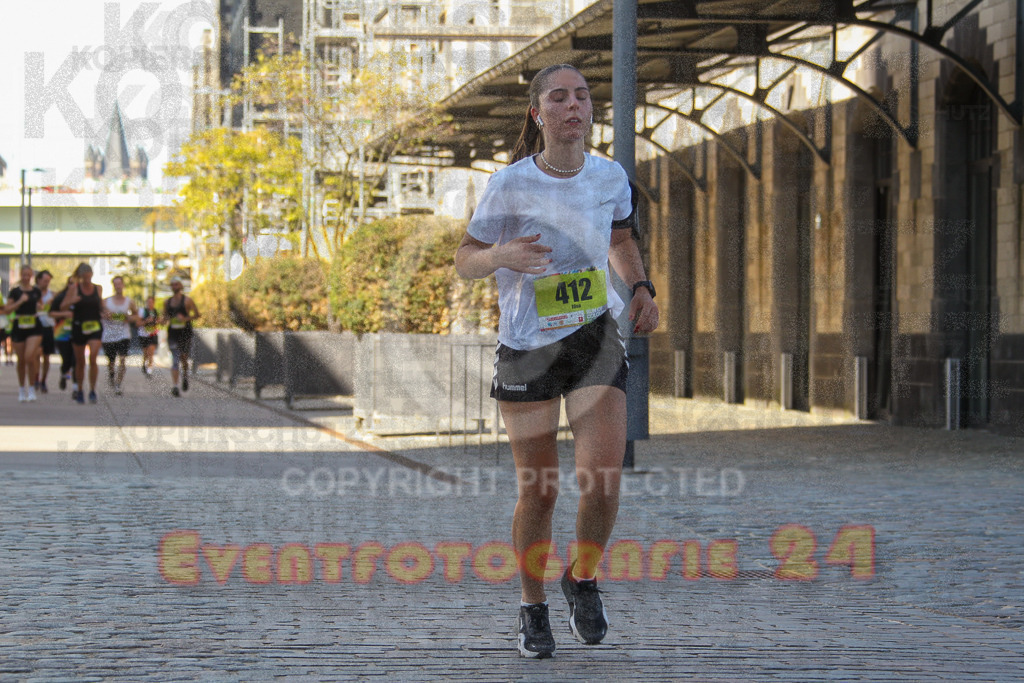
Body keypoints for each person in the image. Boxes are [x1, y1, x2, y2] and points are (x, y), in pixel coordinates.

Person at [455, 64, 659, 658]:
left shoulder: (610, 176)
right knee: (540, 491)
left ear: (591, 111)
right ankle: (532, 605)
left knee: (603, 478)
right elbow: (465, 258)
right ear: (538, 114)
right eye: (559, 97)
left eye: (583, 96)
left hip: (593, 339)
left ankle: (583, 579)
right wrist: (501, 254)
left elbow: (621, 239)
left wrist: (641, 289)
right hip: (528, 348)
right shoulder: (511, 185)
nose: (574, 105)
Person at [60, 262, 105, 404]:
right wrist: (72, 301)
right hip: (79, 326)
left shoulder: (98, 288)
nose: (86, 280)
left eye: (88, 277)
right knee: (80, 361)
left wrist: (106, 312)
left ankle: (92, 390)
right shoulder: (74, 288)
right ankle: (80, 389)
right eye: (83, 277)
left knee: (93, 357)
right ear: (79, 277)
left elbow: (101, 306)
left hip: (95, 326)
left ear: (92, 275)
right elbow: (63, 306)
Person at [3, 265, 46, 402]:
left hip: (34, 327)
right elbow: (7, 310)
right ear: (20, 275)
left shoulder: (36, 291)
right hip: (19, 327)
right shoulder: (15, 292)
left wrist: (40, 307)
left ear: (32, 275)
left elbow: (41, 305)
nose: (26, 277)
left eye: (29, 274)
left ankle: (32, 388)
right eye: (24, 275)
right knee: (21, 360)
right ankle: (22, 389)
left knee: (29, 357)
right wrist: (20, 302)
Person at [101, 276, 138, 395]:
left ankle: (118, 384)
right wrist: (105, 315)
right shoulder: (106, 301)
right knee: (111, 362)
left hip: (123, 334)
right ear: (113, 286)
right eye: (115, 284)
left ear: (123, 285)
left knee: (122, 360)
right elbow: (99, 314)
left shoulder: (129, 302)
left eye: (119, 284)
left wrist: (129, 317)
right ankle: (112, 374)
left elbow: (136, 316)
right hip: (109, 335)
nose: (118, 286)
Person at [164, 277, 200, 397]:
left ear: (180, 286)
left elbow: (197, 315)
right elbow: (164, 318)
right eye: (172, 285)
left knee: (184, 358)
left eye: (176, 285)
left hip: (185, 333)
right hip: (173, 334)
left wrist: (185, 319)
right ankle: (175, 386)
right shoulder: (167, 302)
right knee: (175, 359)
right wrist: (164, 320)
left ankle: (185, 375)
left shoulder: (187, 301)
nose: (174, 287)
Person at [48, 277, 76, 391]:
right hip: (62, 332)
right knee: (66, 359)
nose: (72, 287)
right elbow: (51, 313)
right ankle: (64, 374)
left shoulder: (81, 298)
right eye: (70, 284)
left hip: (77, 331)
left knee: (76, 360)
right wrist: (65, 313)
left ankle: (75, 386)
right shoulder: (60, 297)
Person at [34, 270, 56, 394]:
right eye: (45, 281)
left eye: (48, 281)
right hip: (36, 326)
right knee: (36, 354)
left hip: (48, 327)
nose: (47, 283)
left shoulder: (52, 295)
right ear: (38, 280)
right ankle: (36, 377)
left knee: (46, 357)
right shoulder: (32, 294)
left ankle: (43, 380)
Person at [137, 296, 160, 376]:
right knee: (146, 353)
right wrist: (146, 321)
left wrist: (158, 321)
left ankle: (149, 370)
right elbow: (138, 323)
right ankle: (144, 363)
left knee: (151, 352)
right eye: (148, 302)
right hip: (143, 334)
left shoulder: (156, 311)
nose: (150, 304)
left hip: (153, 334)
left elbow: (159, 321)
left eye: (151, 302)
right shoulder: (142, 311)